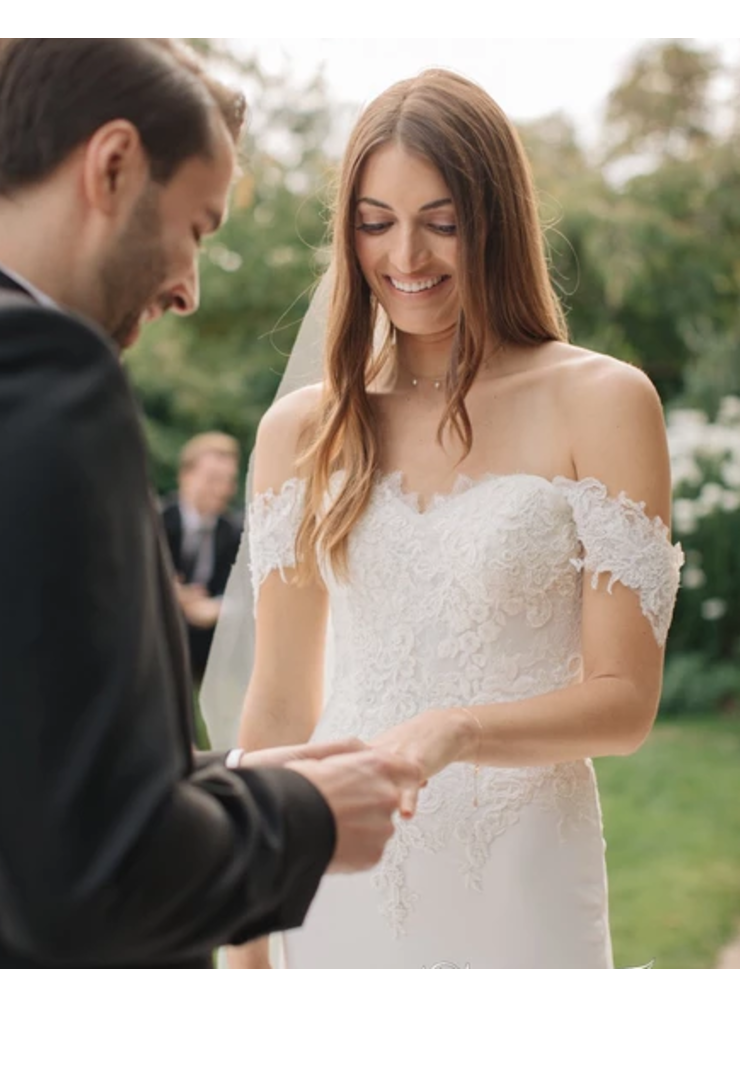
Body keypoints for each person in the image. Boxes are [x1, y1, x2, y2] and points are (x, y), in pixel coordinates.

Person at [207, 69, 684, 968]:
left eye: (443, 222)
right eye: (376, 222)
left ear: (496, 218)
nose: (406, 257)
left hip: (522, 872)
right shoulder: (303, 429)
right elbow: (277, 703)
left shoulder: (607, 402)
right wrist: (249, 927)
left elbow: (625, 703)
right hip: (337, 875)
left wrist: (459, 729)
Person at [0, 37, 421, 969]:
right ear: (113, 165)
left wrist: (223, 781)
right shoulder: (40, 372)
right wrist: (301, 818)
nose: (187, 287)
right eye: (197, 228)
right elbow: (88, 884)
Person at [162, 432, 244, 685]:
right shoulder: (156, 522)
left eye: (228, 481)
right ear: (185, 476)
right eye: (212, 479)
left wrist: (218, 609)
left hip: (210, 638)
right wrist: (171, 594)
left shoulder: (233, 531)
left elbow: (244, 591)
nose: (221, 490)